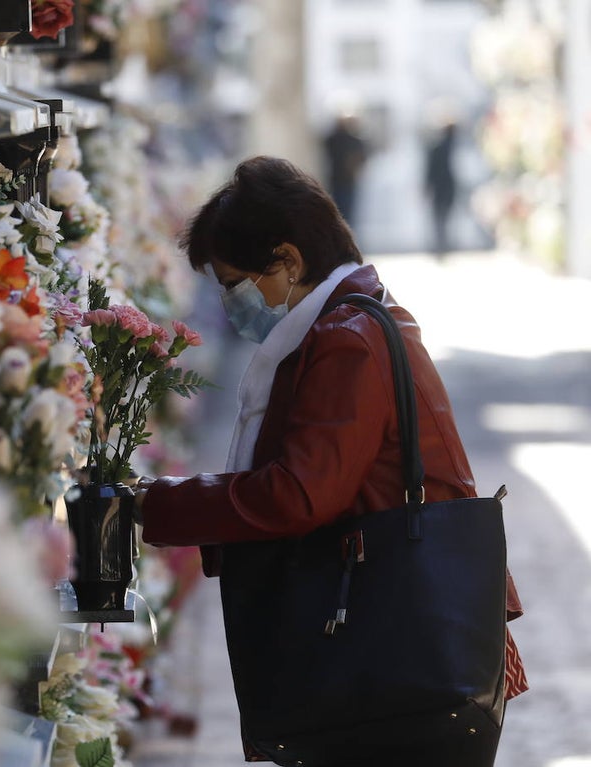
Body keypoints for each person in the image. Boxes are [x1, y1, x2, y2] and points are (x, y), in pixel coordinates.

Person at [134, 156, 527, 766]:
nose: (231, 303)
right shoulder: (347, 319)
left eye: (235, 284)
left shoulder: (347, 338)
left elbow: (300, 493)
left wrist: (155, 503)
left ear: (288, 261)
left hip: (394, 648)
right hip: (393, 645)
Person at [321, 114, 368, 228]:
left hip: (345, 181)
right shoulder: (337, 139)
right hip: (339, 180)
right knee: (341, 212)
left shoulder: (350, 140)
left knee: (344, 212)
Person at [426, 120, 458, 257]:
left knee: (440, 218)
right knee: (442, 218)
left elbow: (430, 170)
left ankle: (442, 246)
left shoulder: (438, 147)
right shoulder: (449, 147)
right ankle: (442, 246)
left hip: (441, 187)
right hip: (446, 187)